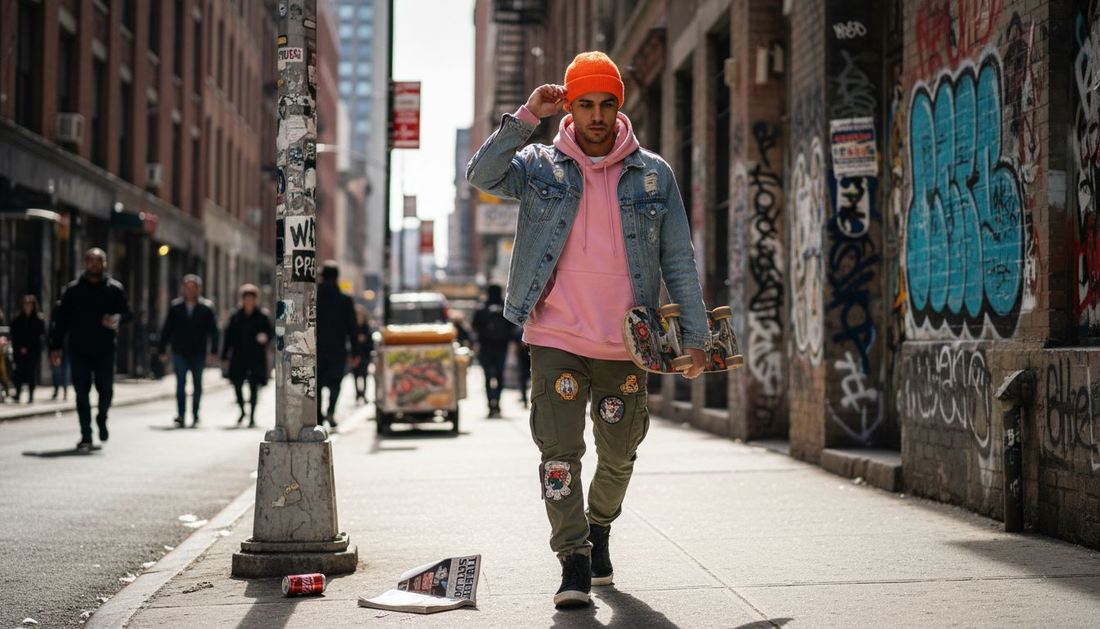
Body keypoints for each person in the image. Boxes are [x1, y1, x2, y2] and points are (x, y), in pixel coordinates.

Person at [466, 51, 707, 608]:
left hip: (629, 346)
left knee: (620, 451)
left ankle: (599, 526)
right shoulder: (538, 165)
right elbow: (482, 175)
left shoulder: (653, 174)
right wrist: (529, 115)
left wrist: (694, 335)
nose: (596, 116)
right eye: (584, 104)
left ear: (618, 107)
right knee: (558, 454)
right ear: (569, 107)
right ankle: (573, 558)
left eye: (606, 104)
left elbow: (678, 259)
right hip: (556, 340)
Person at [49, 248, 134, 451]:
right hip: (79, 350)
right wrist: (55, 347)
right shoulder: (73, 290)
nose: (94, 264)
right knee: (81, 393)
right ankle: (86, 435)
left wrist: (117, 319)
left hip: (105, 350)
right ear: (85, 263)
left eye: (98, 261)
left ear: (105, 264)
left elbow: (128, 313)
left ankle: (101, 417)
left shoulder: (114, 289)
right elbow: (61, 321)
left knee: (106, 391)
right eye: (90, 260)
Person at [157, 275, 219, 427]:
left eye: (194, 287)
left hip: (198, 352)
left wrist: (214, 351)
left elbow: (213, 331)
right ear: (183, 288)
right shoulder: (175, 306)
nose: (190, 290)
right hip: (179, 351)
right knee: (180, 384)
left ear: (199, 289)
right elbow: (167, 329)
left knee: (197, 384)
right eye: (187, 287)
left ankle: (196, 413)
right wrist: (162, 349)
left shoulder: (206, 307)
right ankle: (181, 414)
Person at [222, 284, 273, 427]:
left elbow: (271, 333)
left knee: (254, 386)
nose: (249, 301)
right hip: (238, 356)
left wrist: (265, 337)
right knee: (237, 384)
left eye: (251, 298)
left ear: (255, 299)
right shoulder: (235, 316)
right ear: (242, 299)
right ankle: (242, 410)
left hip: (256, 356)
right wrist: (224, 356)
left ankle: (252, 415)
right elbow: (228, 337)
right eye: (246, 298)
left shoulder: (262, 316)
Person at [316, 261, 358, 428]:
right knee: (335, 384)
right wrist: (355, 352)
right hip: (338, 349)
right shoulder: (345, 300)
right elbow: (352, 327)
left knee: (316, 385)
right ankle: (331, 411)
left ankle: (318, 417)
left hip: (315, 349)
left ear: (321, 276)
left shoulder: (313, 297)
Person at [472, 284, 516, 418]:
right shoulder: (505, 308)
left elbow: (474, 326)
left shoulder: (482, 308)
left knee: (487, 377)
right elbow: (512, 326)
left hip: (485, 347)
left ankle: (489, 404)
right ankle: (497, 402)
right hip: (501, 347)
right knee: (499, 376)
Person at [10, 295, 45, 403]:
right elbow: (14, 334)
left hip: (33, 351)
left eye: (30, 304)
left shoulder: (38, 319)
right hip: (19, 350)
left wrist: (31, 348)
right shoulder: (18, 319)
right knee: (18, 372)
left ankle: (30, 395)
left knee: (31, 373)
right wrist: (20, 347)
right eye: (26, 304)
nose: (28, 306)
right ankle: (18, 392)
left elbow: (40, 336)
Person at [351, 304, 374, 405]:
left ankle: (363, 394)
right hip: (356, 354)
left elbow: (370, 341)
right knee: (356, 375)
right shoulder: (353, 326)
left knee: (364, 375)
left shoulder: (366, 327)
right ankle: (357, 394)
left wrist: (365, 340)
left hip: (364, 354)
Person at [48, 300, 70, 401]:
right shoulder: (55, 324)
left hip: (64, 349)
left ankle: (62, 390)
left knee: (63, 370)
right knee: (59, 371)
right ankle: (59, 390)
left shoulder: (58, 324)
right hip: (58, 349)